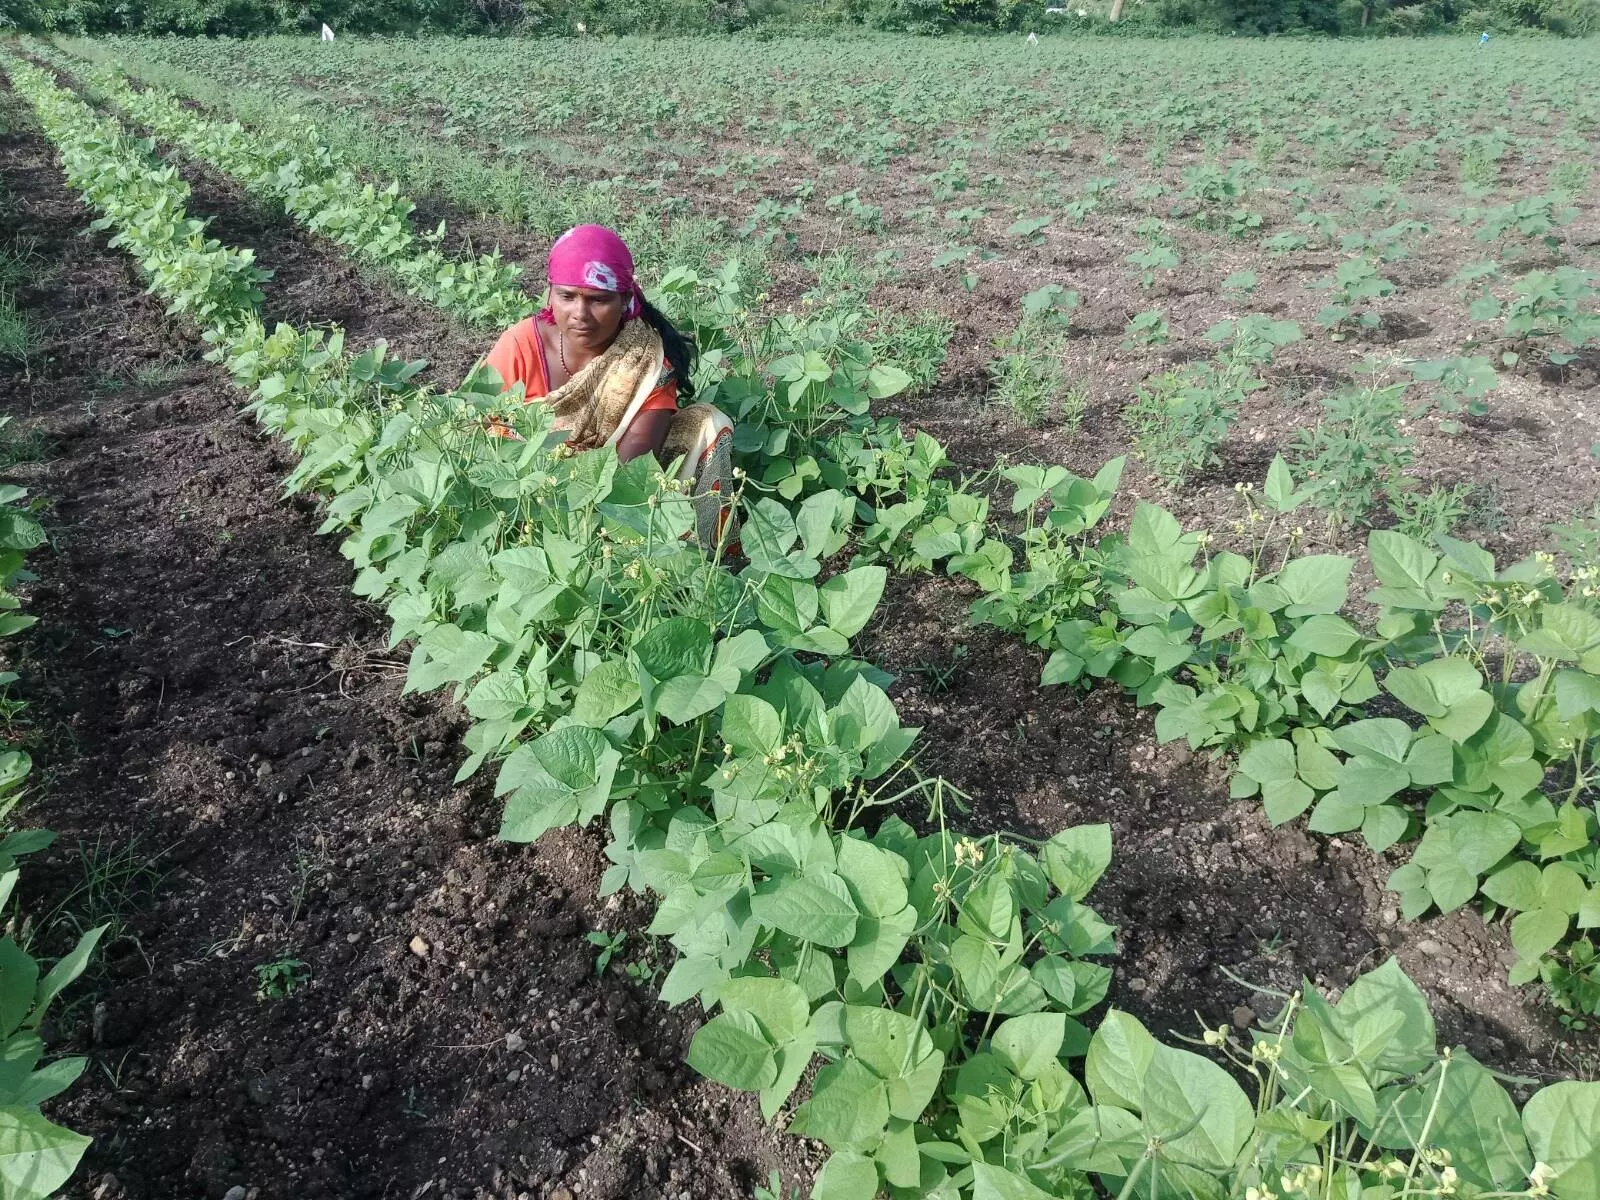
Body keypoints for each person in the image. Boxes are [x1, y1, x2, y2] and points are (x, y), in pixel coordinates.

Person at [481, 224, 736, 550]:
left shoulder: (644, 362)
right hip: (521, 503)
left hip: (613, 504)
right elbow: (476, 428)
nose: (580, 314)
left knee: (708, 425)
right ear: (550, 294)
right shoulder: (520, 345)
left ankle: (703, 562)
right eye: (567, 296)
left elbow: (629, 473)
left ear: (625, 300)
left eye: (598, 300)